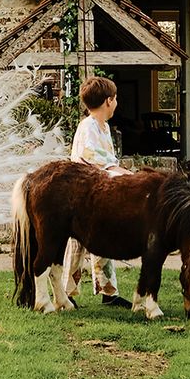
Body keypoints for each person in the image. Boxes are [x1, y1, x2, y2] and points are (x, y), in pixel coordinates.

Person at [64, 75, 129, 308]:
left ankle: (107, 291)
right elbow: (92, 157)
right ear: (108, 101)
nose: (117, 103)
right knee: (77, 244)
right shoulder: (88, 126)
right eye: (116, 98)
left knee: (104, 239)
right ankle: (67, 292)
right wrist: (118, 170)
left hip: (101, 192)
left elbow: (108, 159)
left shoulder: (104, 127)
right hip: (83, 194)